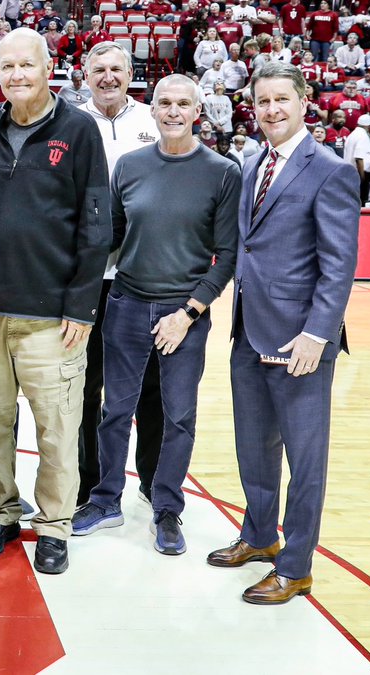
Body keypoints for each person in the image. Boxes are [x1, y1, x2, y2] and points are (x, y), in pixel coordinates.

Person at [207, 60, 359, 605]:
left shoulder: (330, 169)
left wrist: (319, 333)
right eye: (263, 101)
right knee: (254, 446)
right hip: (248, 329)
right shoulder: (253, 161)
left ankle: (295, 567)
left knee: (304, 456)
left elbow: (339, 263)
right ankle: (259, 537)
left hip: (300, 339)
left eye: (281, 100)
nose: (271, 110)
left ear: (303, 101)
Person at [0, 27, 109, 576]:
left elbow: (97, 224)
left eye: (27, 65)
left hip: (54, 316)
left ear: (49, 67)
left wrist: (81, 305)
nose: (17, 76)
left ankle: (53, 526)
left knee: (56, 428)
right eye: (7, 67)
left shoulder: (79, 129)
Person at [73, 74, 239, 554]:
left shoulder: (222, 172)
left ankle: (167, 509)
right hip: (125, 304)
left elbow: (227, 255)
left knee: (177, 415)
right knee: (114, 411)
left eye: (182, 104)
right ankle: (105, 500)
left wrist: (188, 312)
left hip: (182, 314)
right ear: (152, 110)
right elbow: (111, 234)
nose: (172, 111)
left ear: (196, 112)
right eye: (164, 102)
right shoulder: (128, 166)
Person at [78, 41, 160, 507]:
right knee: (84, 388)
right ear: (83, 74)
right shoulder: (69, 122)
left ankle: (152, 482)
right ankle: (88, 482)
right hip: (88, 279)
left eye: (116, 69)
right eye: (98, 69)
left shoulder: (155, 120)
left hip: (141, 277)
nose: (108, 77)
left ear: (130, 74)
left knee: (151, 386)